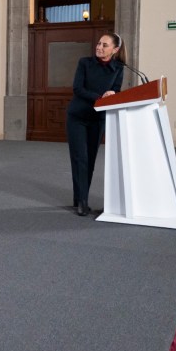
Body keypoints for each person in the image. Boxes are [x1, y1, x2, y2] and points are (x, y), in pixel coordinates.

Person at [66, 32, 126, 217]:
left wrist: (112, 96)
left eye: (104, 45)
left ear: (115, 50)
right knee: (80, 158)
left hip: (97, 119)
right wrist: (100, 97)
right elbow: (78, 89)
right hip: (77, 116)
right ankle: (82, 201)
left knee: (90, 160)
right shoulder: (85, 63)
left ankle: (80, 197)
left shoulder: (119, 68)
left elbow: (115, 90)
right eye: (99, 43)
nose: (99, 47)